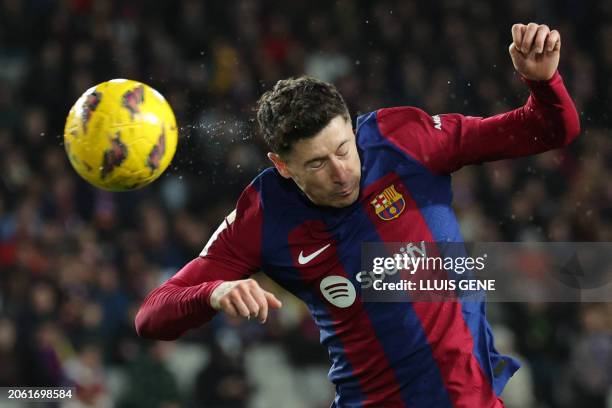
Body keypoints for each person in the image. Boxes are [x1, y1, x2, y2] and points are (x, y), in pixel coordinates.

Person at [135, 23, 580, 407]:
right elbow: (151, 318)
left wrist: (543, 83)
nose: (341, 172)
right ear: (281, 165)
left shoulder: (402, 139)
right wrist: (212, 292)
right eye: (316, 164)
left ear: (351, 125)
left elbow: (550, 130)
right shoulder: (265, 215)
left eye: (343, 149)